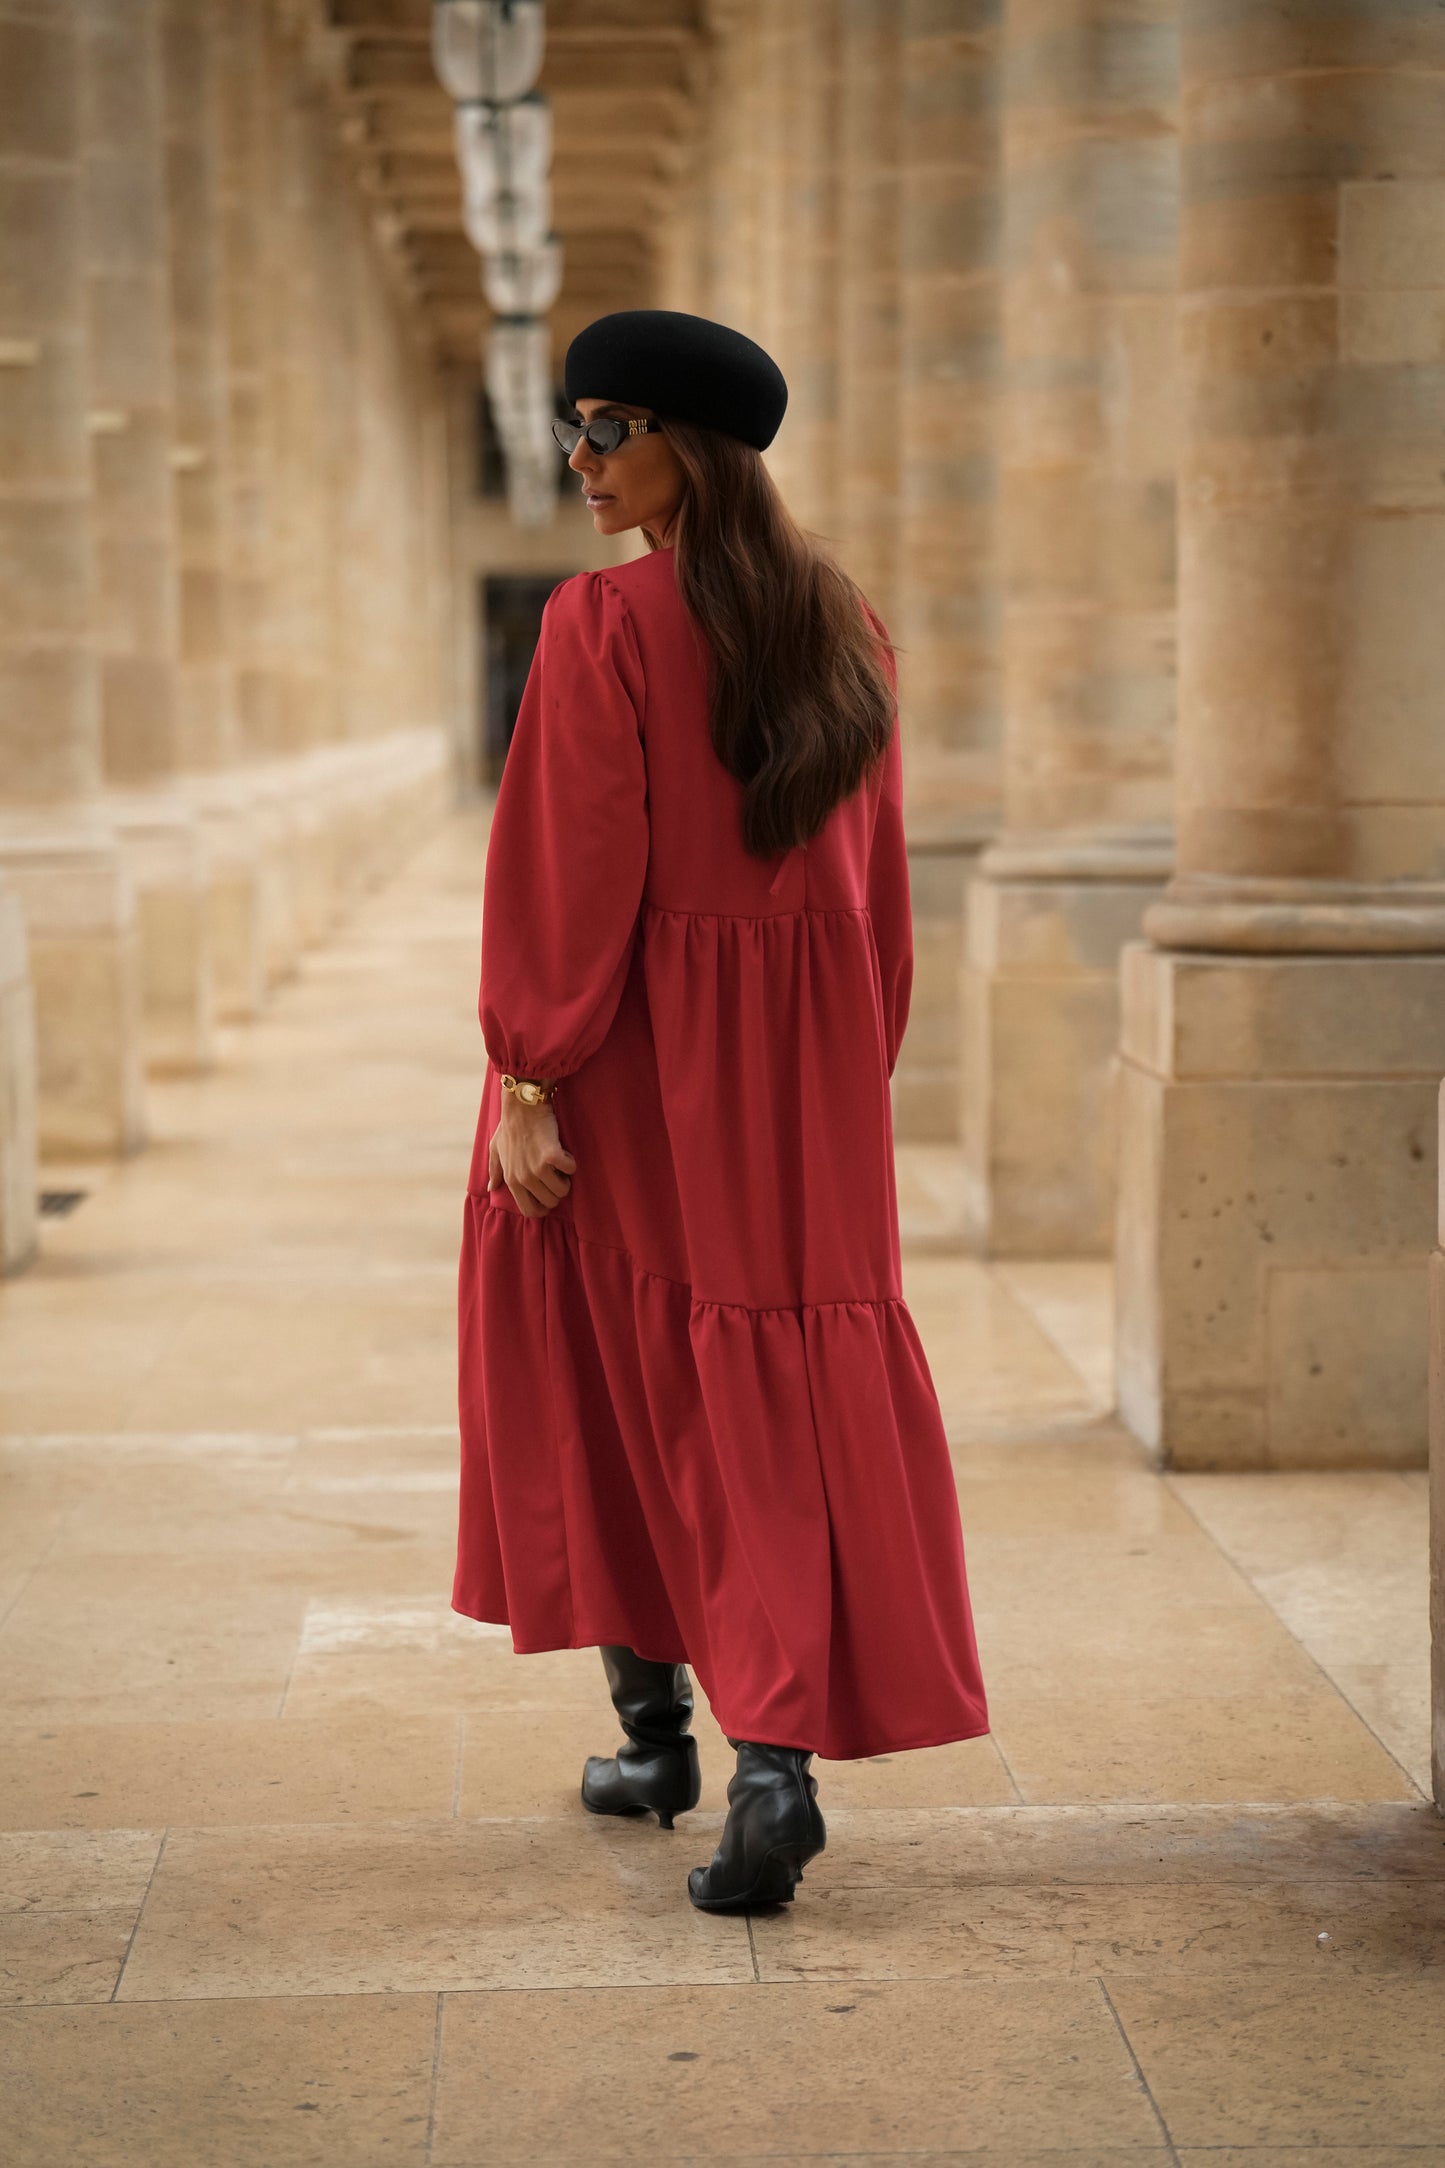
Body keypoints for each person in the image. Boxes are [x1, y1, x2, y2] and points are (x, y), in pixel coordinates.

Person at [453, 308, 988, 1913]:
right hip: (800, 1070)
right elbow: (874, 900)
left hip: (628, 1054)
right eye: (575, 425)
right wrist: (839, 1071)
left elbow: (572, 870)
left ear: (694, 443)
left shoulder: (601, 625)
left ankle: (683, 1739)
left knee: (617, 1374)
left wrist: (528, 1074)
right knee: (766, 1390)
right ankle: (743, 1760)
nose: (580, 458)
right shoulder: (847, 623)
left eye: (610, 426)